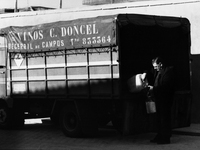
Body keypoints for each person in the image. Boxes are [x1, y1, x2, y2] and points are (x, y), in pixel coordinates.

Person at [148, 57, 175, 144]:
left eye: (156, 66)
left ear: (161, 64)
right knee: (159, 118)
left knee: (164, 119)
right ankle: (160, 135)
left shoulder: (168, 72)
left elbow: (165, 87)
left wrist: (154, 88)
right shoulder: (160, 72)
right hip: (160, 99)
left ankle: (165, 138)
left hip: (165, 100)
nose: (155, 68)